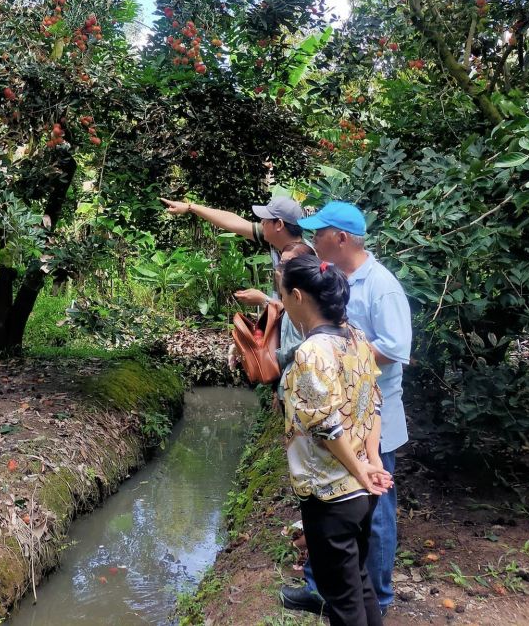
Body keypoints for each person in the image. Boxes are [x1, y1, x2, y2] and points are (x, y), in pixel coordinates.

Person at [281, 201, 412, 619]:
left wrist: (361, 466)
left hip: (339, 471)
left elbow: (327, 422)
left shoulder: (320, 346)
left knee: (349, 583)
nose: (314, 240)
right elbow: (366, 395)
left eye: (319, 234)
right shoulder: (349, 329)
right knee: (353, 575)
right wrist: (368, 461)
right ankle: (359, 597)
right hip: (360, 448)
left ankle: (380, 595)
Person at [160, 194, 313, 391]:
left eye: (265, 219)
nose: (260, 223)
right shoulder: (277, 244)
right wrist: (190, 207)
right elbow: (233, 222)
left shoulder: (303, 260)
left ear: (279, 225)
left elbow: (307, 317)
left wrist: (264, 300)